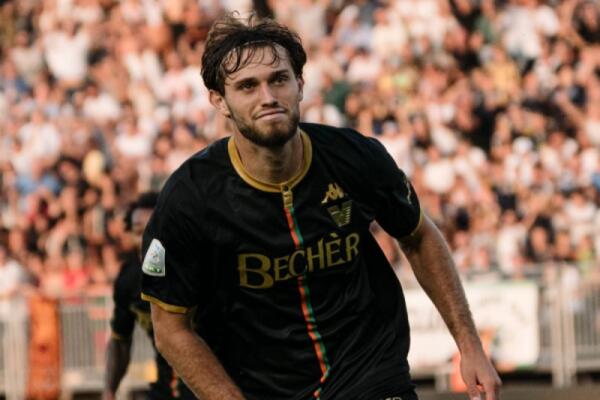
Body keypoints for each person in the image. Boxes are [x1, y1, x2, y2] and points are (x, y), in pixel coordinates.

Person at [141, 14, 502, 400]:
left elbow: (418, 237)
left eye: (279, 79)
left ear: (300, 84)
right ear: (219, 101)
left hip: (369, 371)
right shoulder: (189, 198)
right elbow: (171, 327)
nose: (268, 96)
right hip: (263, 388)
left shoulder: (356, 157)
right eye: (247, 86)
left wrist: (470, 345)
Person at [104, 192, 195, 400]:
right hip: (165, 389)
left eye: (154, 229)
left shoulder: (193, 270)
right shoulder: (128, 280)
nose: (146, 237)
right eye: (138, 231)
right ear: (129, 235)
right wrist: (109, 391)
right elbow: (120, 341)